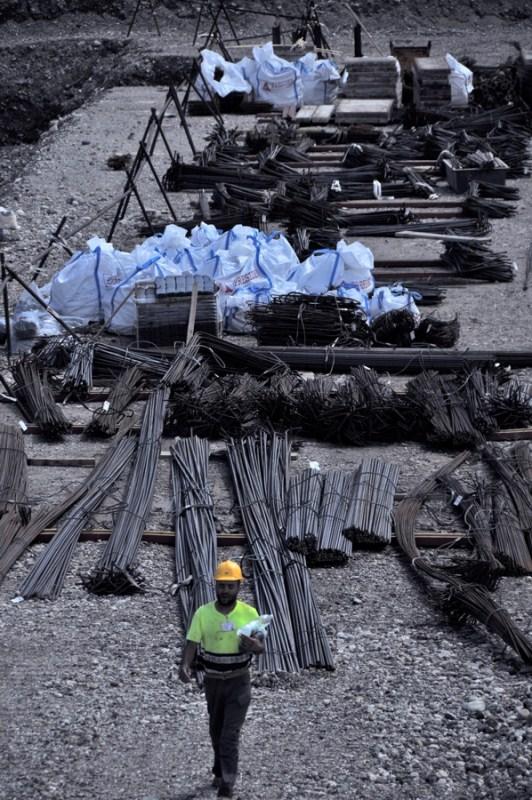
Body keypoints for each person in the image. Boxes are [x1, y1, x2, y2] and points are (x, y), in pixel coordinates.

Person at [179, 560, 265, 799]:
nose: (225, 590)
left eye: (230, 586)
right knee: (216, 730)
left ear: (239, 586)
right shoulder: (203, 613)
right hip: (213, 682)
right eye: (221, 585)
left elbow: (261, 647)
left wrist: (255, 645)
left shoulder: (249, 614)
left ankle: (227, 784)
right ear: (215, 586)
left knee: (230, 734)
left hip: (239, 682)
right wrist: (185, 664)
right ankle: (218, 771)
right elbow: (192, 643)